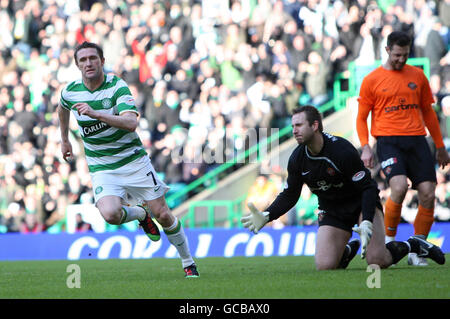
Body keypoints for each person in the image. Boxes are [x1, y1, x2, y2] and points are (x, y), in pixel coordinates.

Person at [241, 106, 445, 270]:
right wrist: (267, 215)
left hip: (361, 204)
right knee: (324, 265)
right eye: (293, 125)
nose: (294, 130)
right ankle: (345, 252)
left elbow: (367, 187)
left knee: (377, 260)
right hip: (332, 210)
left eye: (299, 125)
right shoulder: (297, 159)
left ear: (315, 126)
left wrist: (366, 220)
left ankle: (414, 244)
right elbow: (290, 194)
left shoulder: (341, 150)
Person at [57, 41, 199, 278]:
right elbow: (62, 108)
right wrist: (64, 139)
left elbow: (131, 123)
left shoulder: (117, 87)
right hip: (102, 165)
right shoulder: (70, 91)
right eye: (83, 60)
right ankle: (141, 215)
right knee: (110, 214)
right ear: (77, 65)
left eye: (93, 58)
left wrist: (96, 113)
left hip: (133, 161)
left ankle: (188, 261)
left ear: (102, 61)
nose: (88, 63)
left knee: (163, 214)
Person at [356, 31, 450, 266]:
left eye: (405, 55)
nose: (401, 59)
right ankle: (389, 242)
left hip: (417, 140)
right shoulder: (372, 79)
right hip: (388, 141)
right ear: (387, 50)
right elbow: (361, 118)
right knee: (398, 187)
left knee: (428, 191)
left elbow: (428, 112)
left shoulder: (418, 76)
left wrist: (440, 146)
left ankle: (417, 249)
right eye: (397, 55)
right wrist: (365, 147)